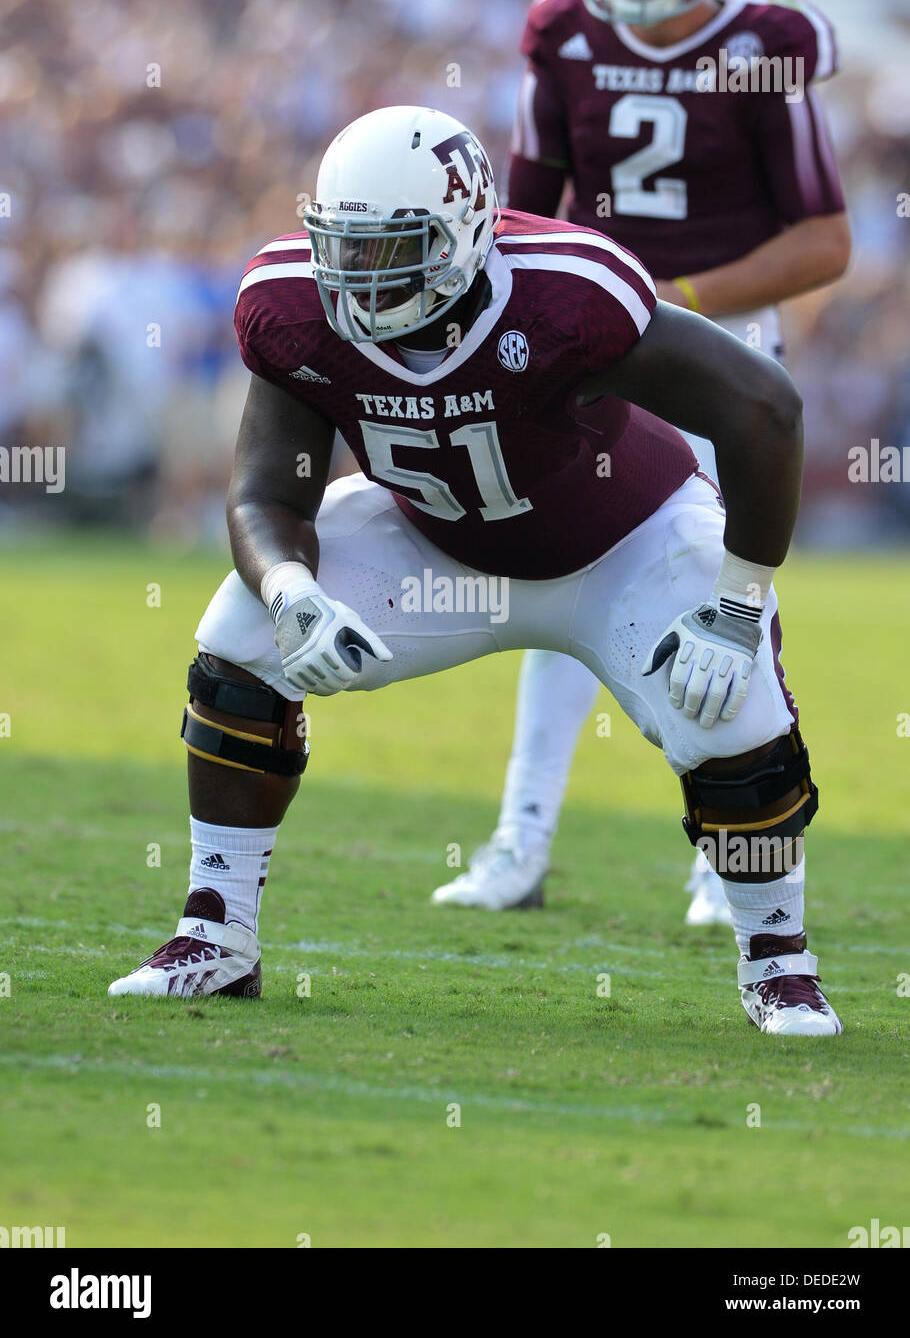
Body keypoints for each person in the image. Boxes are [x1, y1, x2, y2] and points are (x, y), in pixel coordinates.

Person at [108, 104, 841, 1035]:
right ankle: (217, 935)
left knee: (728, 709)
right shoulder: (291, 303)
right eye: (346, 246)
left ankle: (779, 961)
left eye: (392, 249)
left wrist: (741, 601)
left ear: (463, 234)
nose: (359, 277)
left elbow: (764, 406)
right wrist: (293, 595)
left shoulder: (566, 288)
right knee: (241, 636)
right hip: (437, 545)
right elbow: (265, 499)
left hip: (625, 543)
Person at [432, 0, 850, 919]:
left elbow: (824, 239)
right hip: (594, 348)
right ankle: (520, 840)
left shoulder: (763, 44)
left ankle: (726, 848)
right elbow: (521, 217)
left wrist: (667, 302)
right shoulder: (563, 34)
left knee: (718, 592)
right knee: (559, 571)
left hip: (718, 353)